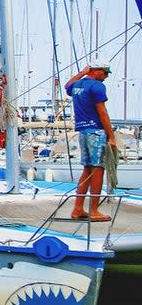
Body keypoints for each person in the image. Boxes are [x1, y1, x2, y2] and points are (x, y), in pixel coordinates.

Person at [65, 62, 117, 222]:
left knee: (87, 169)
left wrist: (82, 73)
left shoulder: (77, 85)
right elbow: (102, 112)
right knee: (97, 169)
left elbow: (67, 85)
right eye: (105, 72)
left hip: (83, 131)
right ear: (97, 71)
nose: (107, 76)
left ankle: (78, 208)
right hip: (96, 130)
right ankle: (94, 210)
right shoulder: (97, 87)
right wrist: (111, 136)